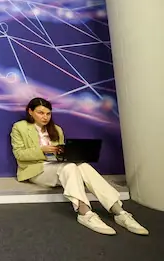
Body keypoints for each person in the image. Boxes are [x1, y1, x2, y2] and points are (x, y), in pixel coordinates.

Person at [10, 97, 148, 236]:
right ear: (30, 112)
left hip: (57, 166)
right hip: (35, 169)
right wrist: (42, 150)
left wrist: (69, 155)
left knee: (83, 166)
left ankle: (119, 212)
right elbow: (19, 155)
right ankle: (85, 213)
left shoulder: (56, 129)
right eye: (40, 113)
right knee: (69, 167)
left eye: (48, 113)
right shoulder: (19, 127)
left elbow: (62, 154)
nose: (45, 117)